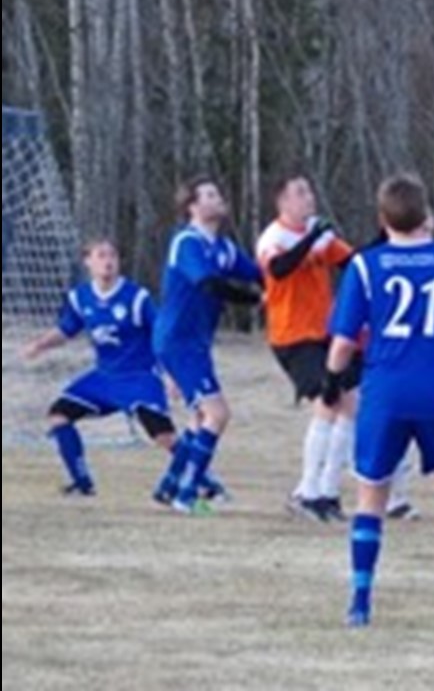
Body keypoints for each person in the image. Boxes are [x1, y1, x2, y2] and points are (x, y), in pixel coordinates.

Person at [323, 172, 434, 629]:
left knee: (371, 495)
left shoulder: (365, 266)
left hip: (384, 392)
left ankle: (360, 602)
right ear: (426, 213)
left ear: (383, 219)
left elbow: (342, 346)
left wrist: (332, 379)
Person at [21, 239, 178, 495]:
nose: (108, 262)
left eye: (113, 255)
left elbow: (160, 336)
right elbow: (67, 328)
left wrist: (170, 374)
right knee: (58, 415)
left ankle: (204, 479)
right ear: (88, 262)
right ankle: (82, 483)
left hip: (139, 377)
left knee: (163, 437)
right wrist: (40, 345)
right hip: (103, 379)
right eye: (101, 255)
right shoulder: (80, 297)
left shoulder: (136, 297)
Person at [152, 176, 262, 515]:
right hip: (176, 341)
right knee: (217, 413)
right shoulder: (187, 242)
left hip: (195, 344)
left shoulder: (224, 248)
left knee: (200, 418)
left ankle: (169, 487)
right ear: (193, 207)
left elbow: (262, 273)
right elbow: (208, 284)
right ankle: (189, 495)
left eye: (218, 193)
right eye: (210, 195)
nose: (219, 199)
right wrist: (256, 299)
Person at [257, 174, 356, 523]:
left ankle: (327, 492)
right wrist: (313, 237)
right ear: (282, 202)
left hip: (325, 333)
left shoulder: (319, 232)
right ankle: (307, 492)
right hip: (292, 336)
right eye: (300, 193)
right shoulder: (276, 237)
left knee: (349, 406)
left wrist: (388, 242)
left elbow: (352, 262)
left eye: (309, 191)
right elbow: (279, 271)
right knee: (328, 403)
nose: (309, 197)